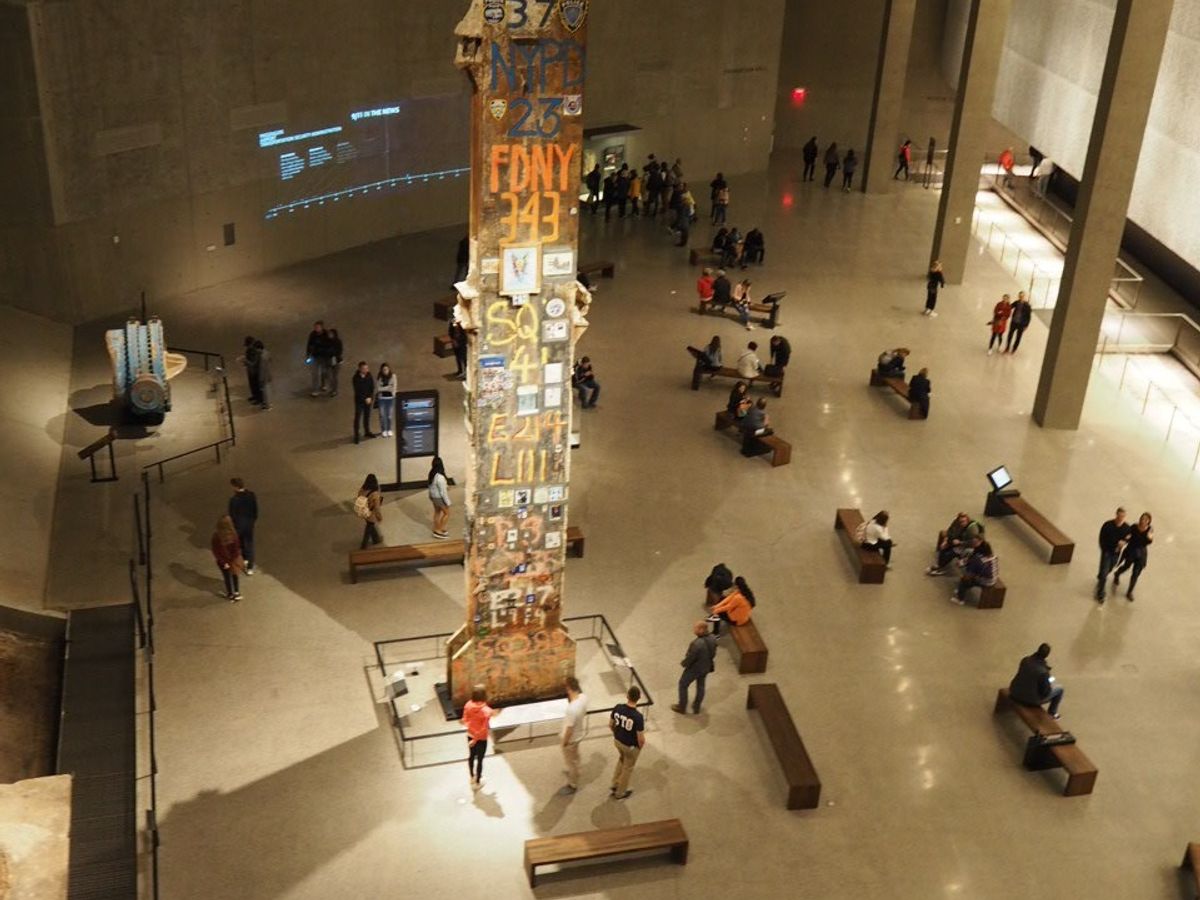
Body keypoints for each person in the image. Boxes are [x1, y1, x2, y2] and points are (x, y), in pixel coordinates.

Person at [673, 621, 718, 715]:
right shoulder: (713, 638)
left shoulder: (696, 644)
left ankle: (682, 707)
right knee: (701, 686)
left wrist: (684, 664)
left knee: (683, 684)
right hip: (706, 667)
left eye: (695, 628)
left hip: (695, 669)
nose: (694, 630)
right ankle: (696, 707)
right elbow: (713, 653)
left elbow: (690, 658)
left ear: (701, 629)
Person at [462, 684, 502, 789]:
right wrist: (475, 740)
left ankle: (472, 777)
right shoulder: (486, 710)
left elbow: (465, 720)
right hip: (481, 738)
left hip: (470, 734)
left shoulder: (468, 705)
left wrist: (472, 734)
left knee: (471, 756)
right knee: (480, 760)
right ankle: (478, 782)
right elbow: (483, 728)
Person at [1008, 643, 1063, 718]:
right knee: (1060, 689)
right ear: (1046, 655)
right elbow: (1045, 692)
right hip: (1029, 700)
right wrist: (1050, 684)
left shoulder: (1025, 660)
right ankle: (1052, 713)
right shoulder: (1043, 672)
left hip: (1014, 691)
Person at [609, 686, 644, 799]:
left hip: (617, 741)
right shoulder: (638, 717)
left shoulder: (618, 708)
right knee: (627, 768)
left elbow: (610, 724)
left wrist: (617, 733)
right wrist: (639, 748)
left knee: (621, 759)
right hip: (629, 746)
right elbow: (640, 738)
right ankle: (620, 793)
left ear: (627, 696)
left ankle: (614, 783)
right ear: (639, 698)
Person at [1112, 512, 1153, 601]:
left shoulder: (1150, 529)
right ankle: (1117, 574)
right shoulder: (1134, 527)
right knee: (1126, 566)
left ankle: (1129, 592)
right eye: (1143, 518)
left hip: (1141, 553)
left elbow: (1149, 541)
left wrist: (1150, 538)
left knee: (1135, 574)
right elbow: (1128, 537)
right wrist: (1123, 542)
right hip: (1131, 550)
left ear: (1149, 521)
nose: (1144, 520)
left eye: (1146, 519)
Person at [1095, 507, 1131, 602]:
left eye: (1122, 517)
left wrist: (1124, 542)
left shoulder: (1127, 528)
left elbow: (1128, 538)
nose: (1120, 518)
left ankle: (1101, 577)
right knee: (1104, 572)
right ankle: (1100, 593)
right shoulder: (1108, 525)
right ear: (1116, 515)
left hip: (1116, 554)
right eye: (1119, 516)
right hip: (1107, 552)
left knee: (1110, 568)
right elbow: (1102, 538)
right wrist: (1104, 549)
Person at [560, 676, 587, 793]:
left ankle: (572, 784)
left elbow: (569, 729)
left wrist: (564, 742)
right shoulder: (583, 697)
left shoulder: (571, 709)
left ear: (569, 689)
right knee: (575, 756)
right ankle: (577, 770)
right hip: (579, 734)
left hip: (570, 739)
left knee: (571, 761)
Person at [228, 478, 258, 576]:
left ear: (235, 487)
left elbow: (232, 515)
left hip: (238, 525)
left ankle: (244, 559)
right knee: (249, 544)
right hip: (249, 524)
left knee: (240, 543)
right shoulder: (251, 495)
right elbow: (255, 509)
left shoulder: (234, 500)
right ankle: (250, 567)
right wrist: (253, 520)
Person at [211, 515, 243, 602]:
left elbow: (216, 551)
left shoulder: (216, 537)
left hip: (223, 561)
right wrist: (233, 559)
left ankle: (230, 594)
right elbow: (236, 549)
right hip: (233, 560)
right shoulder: (234, 535)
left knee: (227, 577)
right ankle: (236, 592)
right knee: (235, 575)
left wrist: (224, 562)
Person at [356, 473, 383, 550]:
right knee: (369, 528)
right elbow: (377, 508)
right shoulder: (375, 494)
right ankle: (364, 545)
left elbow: (359, 499)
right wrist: (379, 517)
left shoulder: (362, 489)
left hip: (363, 511)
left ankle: (376, 539)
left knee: (370, 525)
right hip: (371, 514)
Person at [351, 361, 375, 444]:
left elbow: (372, 387)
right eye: (364, 368)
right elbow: (358, 391)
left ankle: (367, 431)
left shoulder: (369, 375)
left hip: (368, 400)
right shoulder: (355, 378)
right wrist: (365, 398)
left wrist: (370, 397)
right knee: (357, 417)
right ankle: (356, 435)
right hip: (359, 401)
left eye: (367, 368)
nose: (366, 370)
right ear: (360, 369)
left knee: (367, 416)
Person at [428, 457, 451, 539]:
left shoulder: (432, 474)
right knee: (447, 513)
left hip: (434, 497)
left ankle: (436, 528)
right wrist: (448, 502)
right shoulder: (440, 477)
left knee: (437, 512)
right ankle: (439, 530)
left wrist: (430, 496)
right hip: (439, 498)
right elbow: (443, 492)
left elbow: (431, 486)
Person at [306, 321, 331, 397]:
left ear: (322, 327)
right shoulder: (312, 334)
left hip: (324, 357)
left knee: (324, 372)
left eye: (318, 327)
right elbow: (309, 344)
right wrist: (308, 354)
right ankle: (315, 390)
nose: (316, 328)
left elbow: (330, 344)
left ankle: (323, 384)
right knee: (315, 373)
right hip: (315, 356)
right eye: (315, 327)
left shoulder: (326, 334)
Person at [239, 336, 262, 405]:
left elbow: (254, 363)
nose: (247, 347)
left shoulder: (255, 351)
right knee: (252, 384)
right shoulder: (248, 350)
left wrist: (245, 360)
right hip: (250, 370)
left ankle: (259, 399)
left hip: (255, 371)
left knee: (256, 385)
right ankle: (254, 396)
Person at [375, 363, 397, 437]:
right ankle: (384, 430)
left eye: (386, 369)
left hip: (390, 399)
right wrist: (388, 387)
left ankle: (389, 429)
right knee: (382, 415)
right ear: (381, 370)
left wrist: (384, 388)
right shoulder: (379, 377)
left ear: (389, 369)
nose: (385, 371)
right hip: (381, 399)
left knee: (389, 415)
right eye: (384, 370)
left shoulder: (393, 376)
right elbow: (378, 389)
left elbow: (394, 388)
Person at [253, 340, 272, 410]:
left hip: (264, 377)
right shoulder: (267, 352)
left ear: (259, 348)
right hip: (268, 374)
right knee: (268, 390)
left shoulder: (262, 357)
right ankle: (268, 404)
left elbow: (262, 369)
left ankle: (267, 406)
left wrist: (260, 380)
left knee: (265, 392)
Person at [326, 327, 344, 397]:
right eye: (329, 334)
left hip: (336, 361)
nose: (329, 335)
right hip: (329, 361)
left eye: (331, 334)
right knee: (329, 375)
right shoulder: (327, 341)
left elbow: (340, 351)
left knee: (334, 376)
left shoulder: (338, 341)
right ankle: (332, 388)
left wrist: (332, 353)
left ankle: (334, 390)